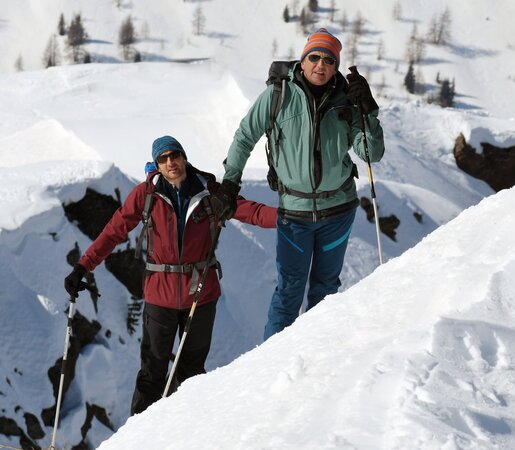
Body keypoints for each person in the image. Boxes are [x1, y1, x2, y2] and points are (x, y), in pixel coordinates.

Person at [64, 135, 277, 415]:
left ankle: (181, 431)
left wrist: (287, 216)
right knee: (152, 373)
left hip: (200, 296)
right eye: (163, 158)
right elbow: (114, 231)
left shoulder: (210, 192)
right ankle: (138, 438)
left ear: (184, 157)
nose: (170, 162)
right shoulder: (145, 195)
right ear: (157, 165)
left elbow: (250, 211)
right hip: (159, 296)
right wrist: (83, 266)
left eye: (174, 155)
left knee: (191, 374)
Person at [209, 28, 385, 341]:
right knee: (289, 291)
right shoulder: (278, 94)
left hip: (339, 211)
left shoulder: (347, 99)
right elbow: (245, 135)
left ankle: (316, 362)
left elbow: (370, 152)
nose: (320, 64)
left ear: (335, 66)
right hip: (295, 213)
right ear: (302, 61)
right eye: (314, 57)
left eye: (329, 59)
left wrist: (368, 112)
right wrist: (229, 184)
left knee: (326, 289)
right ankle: (270, 367)